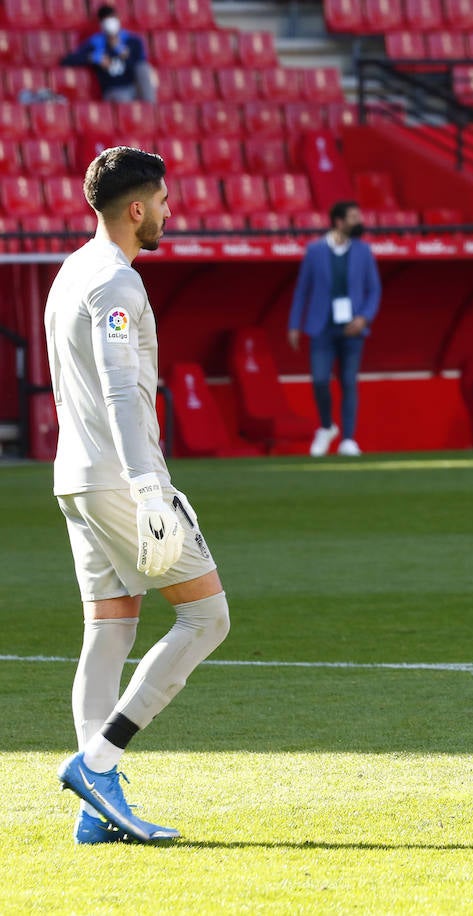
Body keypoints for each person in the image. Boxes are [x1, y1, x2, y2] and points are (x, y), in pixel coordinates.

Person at [47, 147, 230, 844]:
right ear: (135, 208)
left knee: (110, 629)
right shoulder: (118, 285)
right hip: (121, 479)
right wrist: (150, 488)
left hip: (75, 476)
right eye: (161, 200)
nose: (168, 211)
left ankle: (97, 812)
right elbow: (124, 393)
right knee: (207, 619)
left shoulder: (70, 273)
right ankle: (99, 762)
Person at [288, 200, 381, 458]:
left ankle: (349, 439)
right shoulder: (315, 251)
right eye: (353, 216)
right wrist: (295, 324)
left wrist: (364, 318)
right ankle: (327, 426)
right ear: (339, 221)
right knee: (319, 380)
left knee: (349, 381)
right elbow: (302, 290)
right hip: (322, 326)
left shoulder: (363, 251)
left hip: (353, 328)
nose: (359, 221)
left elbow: (374, 290)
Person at [60, 5, 156, 103]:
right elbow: (67, 60)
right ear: (101, 24)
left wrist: (125, 55)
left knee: (143, 69)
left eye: (113, 18)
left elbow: (140, 64)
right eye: (106, 20)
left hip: (133, 87)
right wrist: (93, 58)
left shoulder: (132, 41)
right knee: (122, 99)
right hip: (114, 90)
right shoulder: (95, 43)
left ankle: (152, 109)